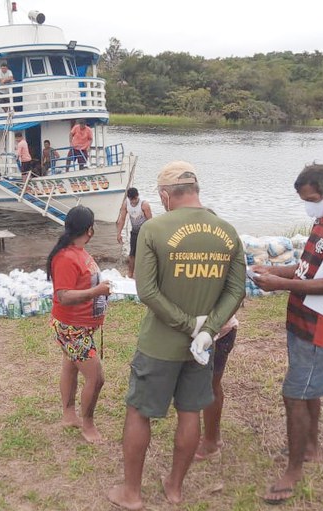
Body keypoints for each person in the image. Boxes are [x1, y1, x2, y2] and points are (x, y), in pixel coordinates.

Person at [107, 161, 247, 509]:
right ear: (196, 191)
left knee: (140, 412)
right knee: (189, 413)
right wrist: (208, 330)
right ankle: (174, 487)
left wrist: (189, 325)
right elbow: (237, 292)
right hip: (201, 349)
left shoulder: (155, 229)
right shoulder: (227, 232)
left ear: (166, 195)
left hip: (159, 344)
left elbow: (147, 292)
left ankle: (132, 493)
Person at [250, 163, 323, 505]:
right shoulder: (322, 222)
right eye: (305, 200)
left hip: (320, 327)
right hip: (300, 321)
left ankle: (293, 470)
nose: (308, 205)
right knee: (308, 389)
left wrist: (280, 284)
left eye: (312, 198)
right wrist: (270, 271)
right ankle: (311, 446)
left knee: (295, 395)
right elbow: (306, 270)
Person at [47, 206, 111, 444]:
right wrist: (96, 291)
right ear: (90, 230)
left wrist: (100, 291)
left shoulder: (80, 252)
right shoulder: (65, 257)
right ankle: (88, 424)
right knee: (96, 378)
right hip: (71, 328)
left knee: (70, 365)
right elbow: (62, 295)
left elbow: (82, 285)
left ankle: (68, 415)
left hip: (80, 326)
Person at [194, 315, 238, 461]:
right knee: (210, 384)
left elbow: (235, 295)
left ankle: (211, 443)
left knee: (211, 385)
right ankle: (213, 437)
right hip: (208, 331)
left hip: (217, 333)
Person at [115, 188, 153, 279]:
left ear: (137, 196)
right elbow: (122, 219)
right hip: (135, 232)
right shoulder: (126, 203)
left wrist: (152, 236)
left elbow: (151, 222)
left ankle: (146, 275)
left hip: (145, 232)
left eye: (135, 199)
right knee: (132, 254)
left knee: (146, 254)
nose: (133, 201)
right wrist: (119, 233)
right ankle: (130, 274)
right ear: (128, 198)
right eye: (132, 200)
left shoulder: (144, 204)